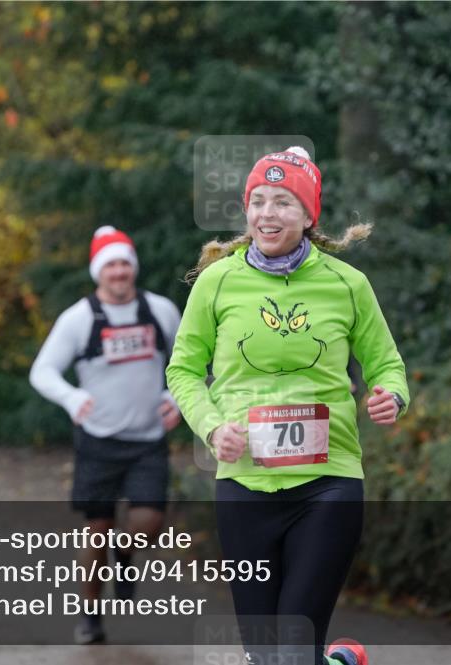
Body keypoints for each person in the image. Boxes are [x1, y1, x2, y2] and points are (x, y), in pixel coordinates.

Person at [166, 147, 409, 665]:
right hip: (244, 484)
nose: (267, 214)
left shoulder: (347, 285)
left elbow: (386, 365)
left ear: (308, 214)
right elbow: (182, 371)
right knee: (264, 654)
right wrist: (211, 429)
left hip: (329, 482)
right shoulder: (218, 282)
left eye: (283, 202)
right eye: (257, 201)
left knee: (294, 648)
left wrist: (391, 397)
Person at [30, 225, 182, 644]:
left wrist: (178, 398)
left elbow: (194, 359)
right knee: (96, 530)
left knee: (149, 522)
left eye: (124, 264)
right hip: (98, 440)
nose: (119, 272)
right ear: (99, 271)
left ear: (133, 269)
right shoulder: (79, 319)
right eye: (111, 264)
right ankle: (91, 619)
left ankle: (127, 551)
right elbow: (42, 371)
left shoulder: (161, 311)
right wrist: (71, 398)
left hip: (148, 438)